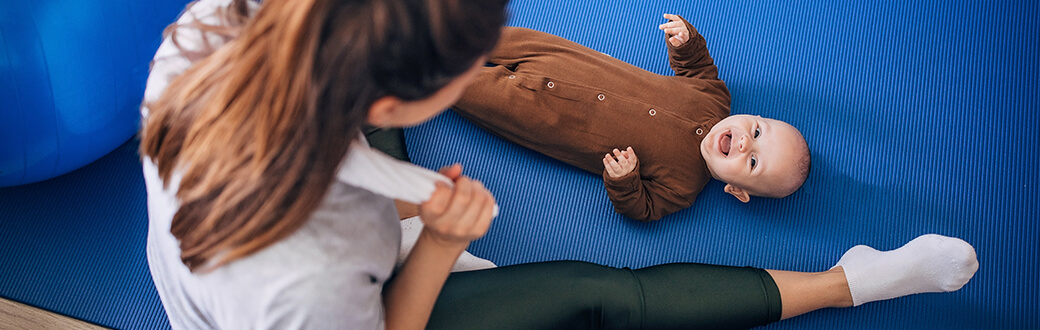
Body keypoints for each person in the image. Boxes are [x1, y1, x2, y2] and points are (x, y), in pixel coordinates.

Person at [139, 0, 979, 329]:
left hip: (328, 203)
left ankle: (848, 278)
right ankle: (844, 285)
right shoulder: (304, 290)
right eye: (460, 74)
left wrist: (405, 204)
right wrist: (439, 242)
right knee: (599, 297)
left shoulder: (220, 32)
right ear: (395, 104)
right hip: (342, 308)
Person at [452, 15, 811, 222]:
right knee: (484, 35)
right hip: (565, 60)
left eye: (753, 162)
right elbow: (695, 66)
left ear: (736, 191)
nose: (745, 142)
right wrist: (686, 42)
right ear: (755, 116)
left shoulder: (682, 188)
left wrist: (625, 180)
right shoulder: (716, 96)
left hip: (542, 117)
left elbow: (642, 209)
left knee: (460, 88)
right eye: (758, 132)